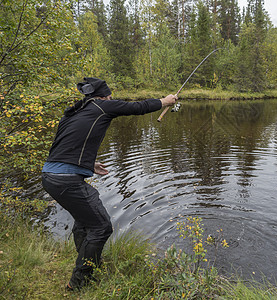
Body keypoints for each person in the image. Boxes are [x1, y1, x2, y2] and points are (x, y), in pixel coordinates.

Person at [41, 77, 177, 291]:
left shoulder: (74, 112)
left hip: (51, 176)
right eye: (110, 97)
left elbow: (63, 146)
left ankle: (88, 264)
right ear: (104, 96)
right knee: (101, 226)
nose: (111, 99)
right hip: (66, 180)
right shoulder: (101, 106)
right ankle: (79, 282)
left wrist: (88, 163)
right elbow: (137, 107)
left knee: (85, 222)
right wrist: (164, 101)